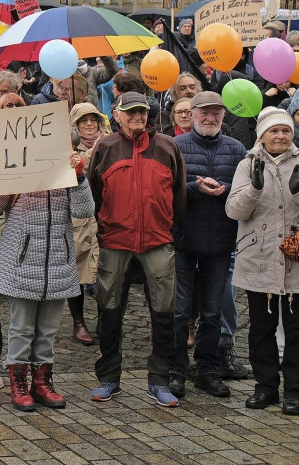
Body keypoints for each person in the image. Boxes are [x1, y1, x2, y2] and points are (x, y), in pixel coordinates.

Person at [0, 148, 93, 412]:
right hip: (22, 264)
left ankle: (41, 383)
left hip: (57, 262)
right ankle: (19, 384)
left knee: (48, 329)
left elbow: (84, 210)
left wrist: (79, 177)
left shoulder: (66, 167)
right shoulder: (16, 168)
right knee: (21, 329)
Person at [87, 91, 186, 406]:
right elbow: (92, 193)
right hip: (115, 241)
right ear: (116, 115)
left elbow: (179, 195)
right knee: (109, 311)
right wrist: (105, 226)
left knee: (164, 313)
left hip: (158, 240)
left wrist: (165, 225)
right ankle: (108, 378)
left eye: (142, 111)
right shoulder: (104, 147)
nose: (137, 117)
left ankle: (159, 380)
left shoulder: (167, 147)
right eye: (130, 112)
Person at [168, 91, 244, 399]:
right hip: (183, 239)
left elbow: (245, 192)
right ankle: (176, 370)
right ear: (192, 113)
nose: (210, 118)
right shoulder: (175, 145)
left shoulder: (236, 149)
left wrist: (224, 188)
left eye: (216, 113)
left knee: (212, 313)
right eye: (205, 112)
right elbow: (166, 191)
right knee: (179, 311)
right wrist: (194, 188)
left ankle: (207, 370)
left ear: (224, 115)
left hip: (220, 243)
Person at [225, 107, 299, 415]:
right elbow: (234, 211)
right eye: (274, 131)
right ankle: (265, 387)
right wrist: (254, 189)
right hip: (259, 257)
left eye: (285, 130)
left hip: (294, 259)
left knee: (296, 330)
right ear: (262, 136)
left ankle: (294, 391)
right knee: (260, 328)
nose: (280, 136)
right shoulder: (247, 164)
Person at [68, 103, 107, 346]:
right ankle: (78, 321)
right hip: (79, 216)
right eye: (83, 120)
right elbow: (77, 169)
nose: (89, 124)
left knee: (105, 270)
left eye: (93, 119)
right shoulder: (69, 147)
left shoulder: (110, 142)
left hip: (105, 215)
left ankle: (104, 318)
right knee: (77, 268)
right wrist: (95, 150)